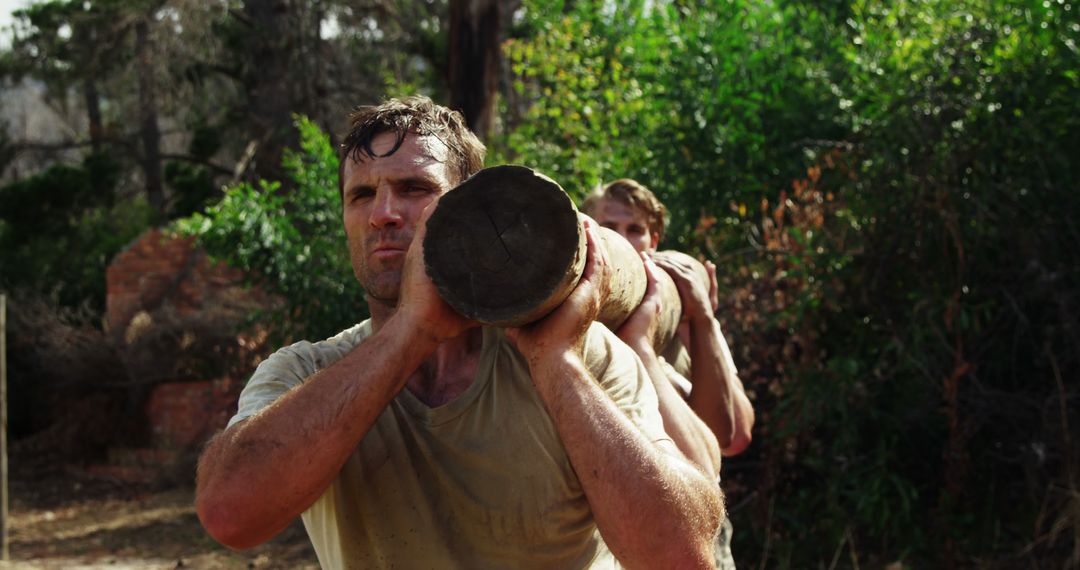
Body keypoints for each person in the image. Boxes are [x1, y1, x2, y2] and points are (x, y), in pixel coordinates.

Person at [195, 96, 723, 569]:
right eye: (361, 196)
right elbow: (229, 516)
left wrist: (556, 362)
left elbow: (681, 558)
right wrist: (412, 332)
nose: (383, 214)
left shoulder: (584, 355)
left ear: (469, 208)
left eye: (413, 188)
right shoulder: (303, 372)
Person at [582, 178, 755, 569]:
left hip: (697, 527)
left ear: (654, 240)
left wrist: (703, 322)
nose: (623, 239)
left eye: (635, 230)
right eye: (609, 227)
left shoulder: (682, 314)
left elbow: (734, 434)